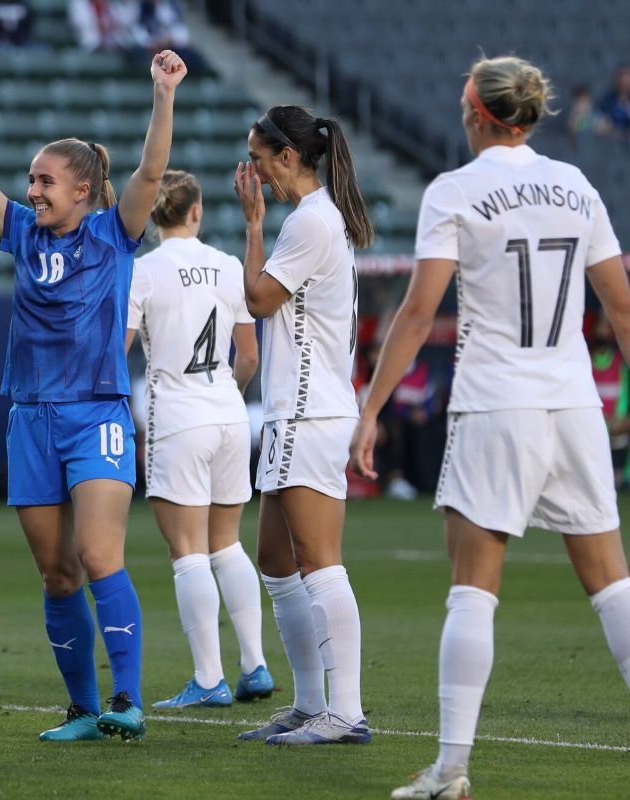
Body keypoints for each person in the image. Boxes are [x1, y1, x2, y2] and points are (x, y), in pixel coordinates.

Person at [350, 56, 630, 800]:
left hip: (496, 402)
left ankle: (450, 769)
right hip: (572, 403)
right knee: (612, 584)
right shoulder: (576, 185)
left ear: (477, 112)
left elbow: (417, 313)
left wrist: (370, 408)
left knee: (474, 588)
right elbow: (623, 309)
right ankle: (448, 771)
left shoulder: (456, 189)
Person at [0, 47, 186, 742]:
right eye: (31, 179)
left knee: (100, 557)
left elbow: (152, 170)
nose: (32, 190)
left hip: (95, 414)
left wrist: (164, 95)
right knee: (57, 572)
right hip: (29, 417)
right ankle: (83, 709)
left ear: (84, 191)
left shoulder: (113, 235)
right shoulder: (20, 236)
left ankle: (128, 699)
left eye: (45, 180)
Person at [233, 105, 374, 746]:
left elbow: (259, 298)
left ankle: (345, 713)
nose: (257, 173)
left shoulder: (310, 222)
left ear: (288, 157)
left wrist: (253, 225)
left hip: (307, 410)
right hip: (303, 409)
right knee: (276, 559)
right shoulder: (319, 219)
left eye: (261, 160)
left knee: (318, 562)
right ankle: (311, 702)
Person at [124, 169, 274, 709]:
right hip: (230, 416)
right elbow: (250, 357)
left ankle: (209, 679)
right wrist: (223, 395)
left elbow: (119, 352)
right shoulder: (228, 265)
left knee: (187, 551)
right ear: (196, 212)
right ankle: (254, 664)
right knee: (227, 543)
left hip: (179, 417)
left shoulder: (142, 272)